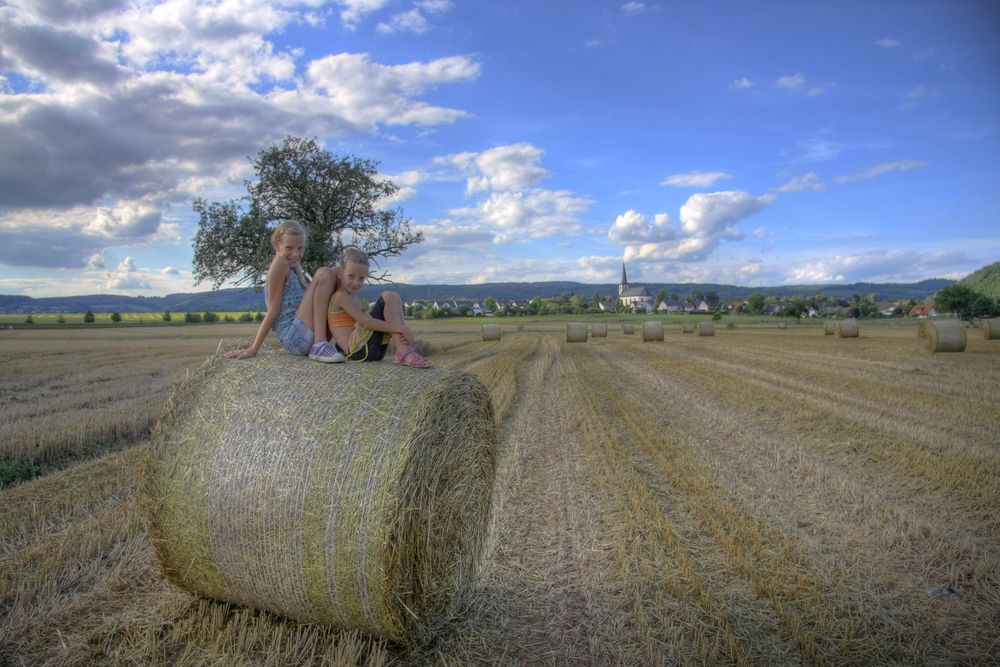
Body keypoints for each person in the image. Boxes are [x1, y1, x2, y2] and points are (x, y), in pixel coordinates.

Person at [225, 220, 344, 362]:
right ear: (277, 245)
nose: (295, 253)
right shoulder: (280, 264)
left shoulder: (294, 267)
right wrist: (254, 348)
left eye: (300, 248)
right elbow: (273, 310)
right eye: (289, 247)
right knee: (325, 273)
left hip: (304, 333)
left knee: (338, 273)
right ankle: (320, 345)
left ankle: (346, 340)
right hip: (293, 338)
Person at [327, 247, 432, 367]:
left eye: (361, 278)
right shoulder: (340, 296)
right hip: (359, 352)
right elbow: (367, 322)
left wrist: (400, 328)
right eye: (351, 276)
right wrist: (402, 328)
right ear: (340, 273)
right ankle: (403, 352)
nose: (356, 283)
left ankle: (403, 349)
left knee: (395, 297)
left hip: (372, 350)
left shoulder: (354, 299)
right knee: (389, 296)